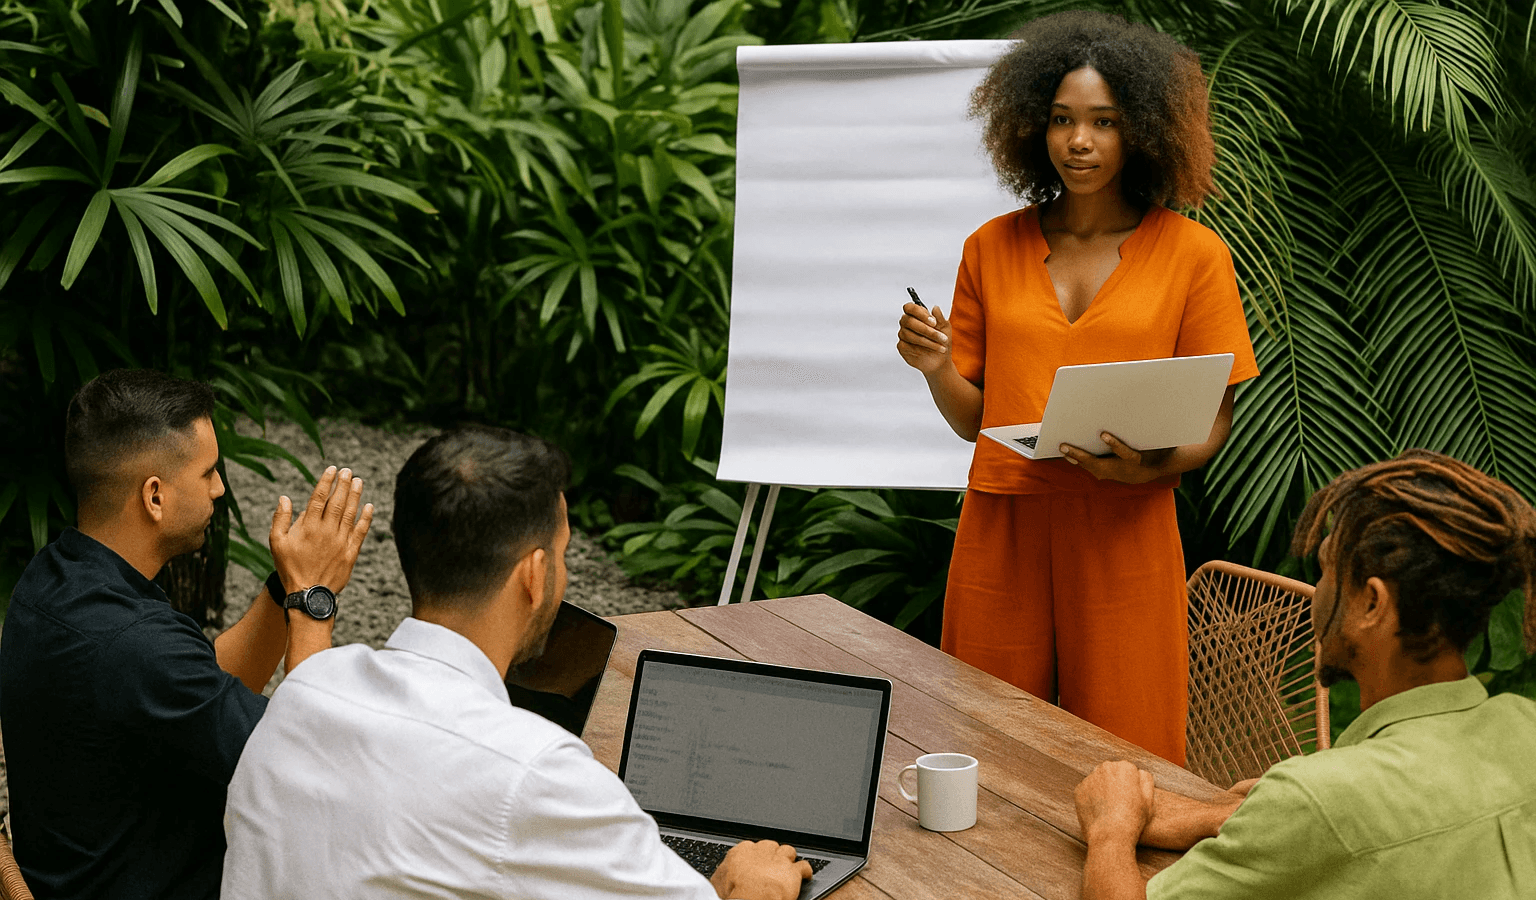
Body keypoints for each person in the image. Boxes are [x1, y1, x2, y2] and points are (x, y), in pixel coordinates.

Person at [221, 426, 813, 900]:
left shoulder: (305, 692)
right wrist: (748, 887)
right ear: (534, 575)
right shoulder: (535, 773)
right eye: (562, 553)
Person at [894, 10, 1259, 765]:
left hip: (1126, 521)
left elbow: (1214, 418)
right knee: (984, 743)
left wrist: (1151, 465)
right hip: (1004, 521)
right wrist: (935, 367)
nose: (1079, 141)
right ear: (1034, 125)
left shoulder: (1195, 255)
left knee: (1130, 749)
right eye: (1062, 119)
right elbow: (974, 421)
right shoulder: (989, 248)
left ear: (1145, 131)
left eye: (1103, 121)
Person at [1073, 449, 1536, 899]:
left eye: (1327, 569)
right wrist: (1229, 817)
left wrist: (1110, 827)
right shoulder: (1524, 726)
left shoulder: (1319, 798)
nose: (1316, 592)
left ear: (1372, 604)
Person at [0, 368, 374, 899]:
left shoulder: (53, 579)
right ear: (154, 496)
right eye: (208, 473)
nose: (221, 488)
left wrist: (284, 583)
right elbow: (309, 767)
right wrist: (312, 601)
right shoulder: (138, 644)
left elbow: (202, 680)